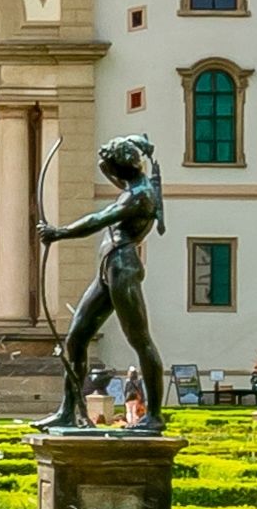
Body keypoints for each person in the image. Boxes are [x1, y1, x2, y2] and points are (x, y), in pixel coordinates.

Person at [37, 134, 171, 430]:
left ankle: (155, 416)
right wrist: (116, 154)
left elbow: (98, 219)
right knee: (75, 338)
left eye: (111, 166)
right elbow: (109, 170)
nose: (106, 171)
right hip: (109, 267)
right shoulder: (133, 185)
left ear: (122, 168)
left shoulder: (139, 195)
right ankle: (69, 410)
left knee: (140, 340)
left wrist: (59, 233)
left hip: (123, 269)